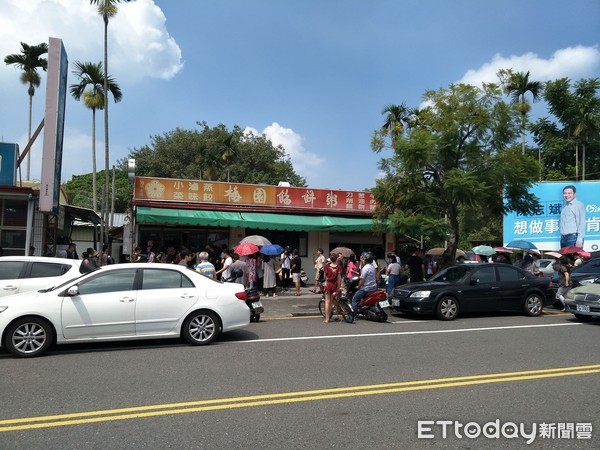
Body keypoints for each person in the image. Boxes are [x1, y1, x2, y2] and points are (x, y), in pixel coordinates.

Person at [351, 253, 378, 318]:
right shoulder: (372, 267)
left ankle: (354, 315)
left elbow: (362, 280)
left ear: (366, 260)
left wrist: (358, 287)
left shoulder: (365, 268)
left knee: (355, 299)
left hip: (366, 288)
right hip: (374, 287)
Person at [322, 252, 343, 323]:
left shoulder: (327, 266)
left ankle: (327, 318)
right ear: (336, 259)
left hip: (328, 284)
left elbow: (324, 276)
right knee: (331, 301)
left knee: (327, 302)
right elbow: (339, 278)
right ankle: (331, 314)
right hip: (334, 284)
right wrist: (339, 286)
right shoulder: (338, 267)